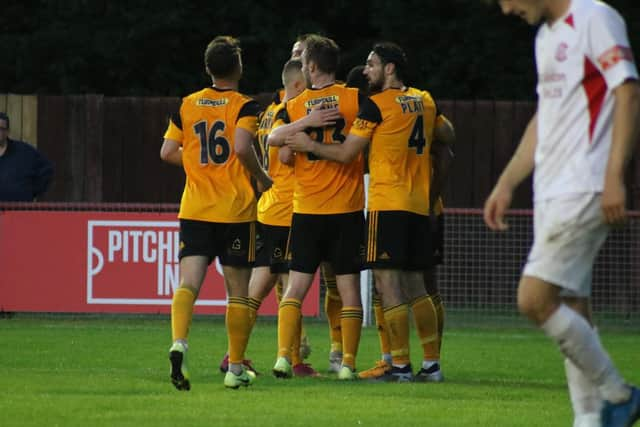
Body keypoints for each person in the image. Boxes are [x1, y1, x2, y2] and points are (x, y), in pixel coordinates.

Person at [484, 1, 640, 426]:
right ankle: (588, 419)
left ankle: (618, 392)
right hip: (551, 191)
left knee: (534, 299)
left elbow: (627, 91)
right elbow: (544, 119)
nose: (507, 9)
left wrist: (614, 176)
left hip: (583, 185)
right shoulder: (546, 37)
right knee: (572, 305)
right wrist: (507, 182)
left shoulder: (595, 18)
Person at [286, 42, 453, 382]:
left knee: (387, 283)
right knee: (417, 286)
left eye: (372, 64)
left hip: (387, 203)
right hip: (419, 205)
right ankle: (432, 365)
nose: (366, 70)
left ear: (389, 68)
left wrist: (310, 146)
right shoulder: (425, 100)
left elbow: (347, 153)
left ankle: (401, 367)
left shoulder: (375, 106)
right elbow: (447, 134)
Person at [160, 35, 272, 390]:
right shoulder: (245, 106)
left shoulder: (187, 104)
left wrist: (196, 166)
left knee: (188, 283)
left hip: (195, 208)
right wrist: (262, 176)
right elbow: (240, 146)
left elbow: (166, 151)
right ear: (238, 67)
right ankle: (235, 369)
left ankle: (179, 342)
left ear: (208, 68)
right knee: (237, 293)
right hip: (235, 211)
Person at [268, 34, 366, 380]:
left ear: (310, 66)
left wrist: (304, 131)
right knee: (349, 289)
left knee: (295, 288)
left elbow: (274, 141)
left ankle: (283, 357)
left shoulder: (294, 104)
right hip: (348, 209)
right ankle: (348, 363)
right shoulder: (355, 99)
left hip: (307, 210)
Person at [0, 112, 53, 201]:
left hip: (19, 210)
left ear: (7, 131)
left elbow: (47, 169)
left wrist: (31, 191)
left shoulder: (24, 152)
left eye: (1, 128)